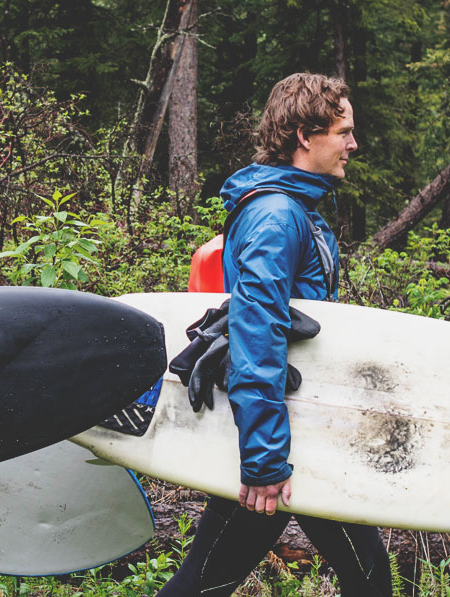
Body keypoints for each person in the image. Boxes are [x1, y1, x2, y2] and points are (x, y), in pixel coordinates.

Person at [159, 73, 391, 596]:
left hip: (290, 424)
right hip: (282, 433)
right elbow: (256, 333)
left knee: (209, 579)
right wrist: (264, 458)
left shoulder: (296, 207)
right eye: (343, 131)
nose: (353, 144)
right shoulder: (276, 215)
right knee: (369, 577)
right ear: (305, 136)